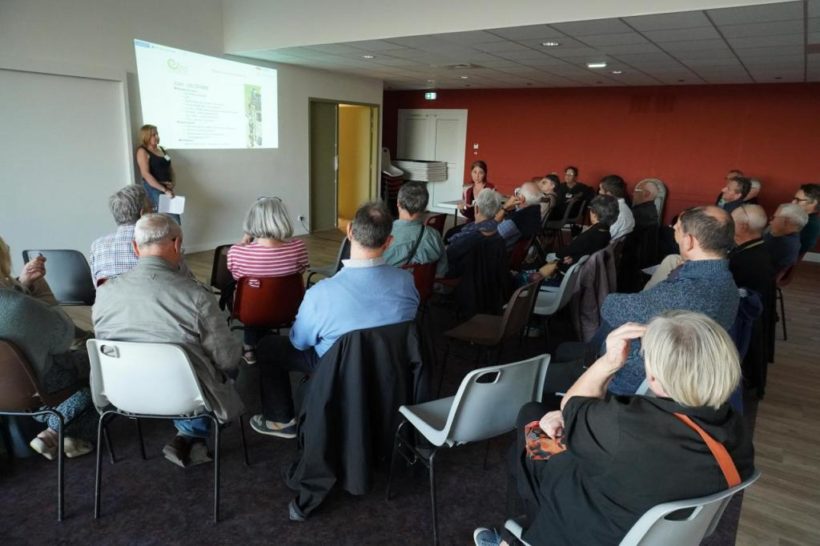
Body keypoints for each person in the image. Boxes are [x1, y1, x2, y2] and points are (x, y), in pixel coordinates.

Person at [473, 312, 755, 546]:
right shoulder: (737, 431)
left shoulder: (623, 426)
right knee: (537, 435)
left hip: (591, 524)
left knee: (531, 418)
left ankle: (519, 537)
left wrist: (609, 362)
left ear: (655, 376)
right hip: (647, 523)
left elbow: (572, 403)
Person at [250, 201, 419, 438]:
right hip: (389, 363)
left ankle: (280, 420)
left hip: (336, 369)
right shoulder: (406, 282)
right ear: (389, 241)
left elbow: (299, 343)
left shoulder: (321, 293)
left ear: (349, 231)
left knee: (268, 346)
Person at [93, 214, 243, 467]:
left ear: (135, 247)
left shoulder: (105, 293)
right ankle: (192, 432)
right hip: (185, 396)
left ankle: (190, 434)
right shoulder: (196, 296)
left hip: (124, 392)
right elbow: (227, 359)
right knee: (223, 364)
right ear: (176, 245)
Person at [601, 206, 740, 395]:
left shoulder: (685, 292)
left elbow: (611, 308)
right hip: (682, 373)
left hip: (630, 379)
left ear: (689, 241)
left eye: (677, 230)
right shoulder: (726, 281)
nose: (674, 232)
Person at [0, 236, 95, 459]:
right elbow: (64, 337)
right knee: (101, 368)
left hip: (6, 391)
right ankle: (55, 428)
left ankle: (60, 435)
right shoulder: (20, 307)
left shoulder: (17, 303)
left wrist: (22, 284)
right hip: (41, 385)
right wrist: (43, 296)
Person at [227, 197, 309, 364]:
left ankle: (249, 349)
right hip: (289, 310)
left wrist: (244, 241)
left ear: (252, 222)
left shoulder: (237, 252)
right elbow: (302, 269)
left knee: (253, 297)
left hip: (252, 313)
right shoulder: (298, 247)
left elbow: (236, 277)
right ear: (283, 219)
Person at [535, 195, 617, 282]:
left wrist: (556, 256)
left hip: (568, 274)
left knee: (538, 270)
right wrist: (574, 257)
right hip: (583, 266)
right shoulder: (606, 233)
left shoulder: (589, 235)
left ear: (594, 214)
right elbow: (586, 250)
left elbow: (568, 250)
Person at [383, 181, 447, 277]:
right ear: (425, 207)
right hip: (424, 291)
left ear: (398, 203)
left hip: (391, 290)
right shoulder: (434, 236)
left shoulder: (383, 235)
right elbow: (442, 270)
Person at [89, 185, 147, 284]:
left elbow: (97, 284)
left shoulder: (96, 245)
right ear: (143, 213)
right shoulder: (154, 243)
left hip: (107, 299)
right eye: (153, 208)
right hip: (146, 298)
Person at [445, 188, 504, 278]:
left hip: (461, 274)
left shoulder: (471, 234)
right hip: (485, 275)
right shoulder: (499, 230)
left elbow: (449, 255)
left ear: (476, 208)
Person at [135, 124, 178, 220]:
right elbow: (145, 174)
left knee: (174, 219)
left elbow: (170, 168)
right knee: (169, 219)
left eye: (157, 134)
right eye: (153, 135)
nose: (157, 137)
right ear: (146, 136)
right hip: (154, 188)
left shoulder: (162, 149)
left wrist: (172, 183)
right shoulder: (142, 151)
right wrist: (164, 190)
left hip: (167, 188)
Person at [496, 182, 543, 248]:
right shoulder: (535, 211)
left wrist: (505, 207)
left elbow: (489, 235)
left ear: (521, 198)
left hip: (499, 252)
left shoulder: (516, 220)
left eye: (518, 194)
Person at [764, 203, 808, 272]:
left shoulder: (783, 244)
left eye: (774, 217)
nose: (770, 222)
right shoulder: (787, 236)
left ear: (785, 222)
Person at [598, 175, 634, 240]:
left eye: (600, 189)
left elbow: (603, 238)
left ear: (609, 194)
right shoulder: (621, 207)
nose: (599, 192)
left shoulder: (617, 213)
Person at [793, 183, 819, 254]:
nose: (793, 202)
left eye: (798, 200)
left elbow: (798, 251)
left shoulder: (811, 224)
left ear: (813, 203)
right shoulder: (800, 217)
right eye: (794, 199)